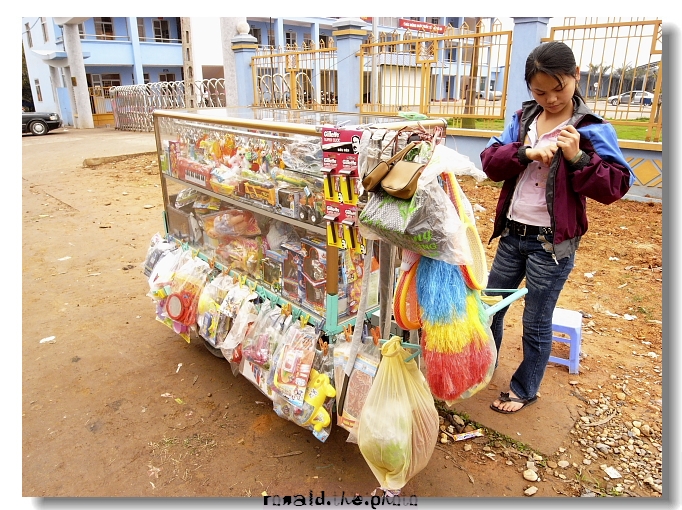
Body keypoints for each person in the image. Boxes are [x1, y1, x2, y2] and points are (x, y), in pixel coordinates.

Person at [479, 41, 634, 414]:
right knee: (489, 308)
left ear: (575, 76)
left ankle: (524, 388)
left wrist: (578, 157)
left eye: (559, 89)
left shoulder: (592, 128)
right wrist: (525, 152)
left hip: (551, 244)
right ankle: (483, 368)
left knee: (535, 320)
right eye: (540, 91)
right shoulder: (522, 120)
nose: (550, 99)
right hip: (513, 234)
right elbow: (489, 161)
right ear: (530, 88)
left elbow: (616, 184)